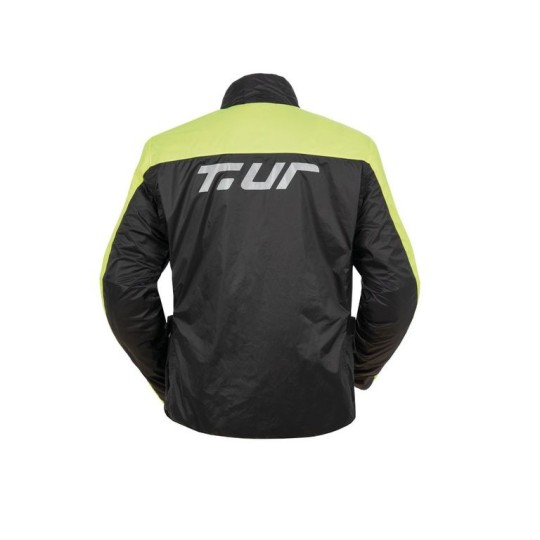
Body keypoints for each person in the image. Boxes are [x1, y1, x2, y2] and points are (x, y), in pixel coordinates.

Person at [100, 73, 420, 438]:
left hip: (202, 406)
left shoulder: (166, 150)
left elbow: (123, 284)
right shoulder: (353, 149)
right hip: (321, 402)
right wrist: (353, 368)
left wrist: (174, 376)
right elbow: (395, 285)